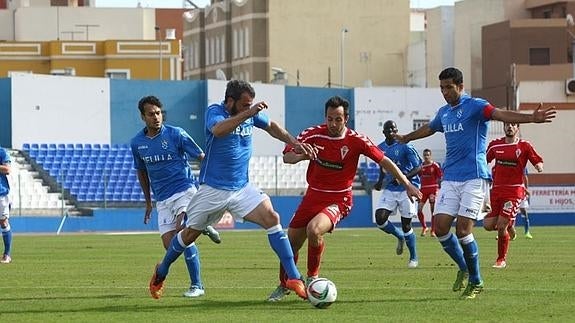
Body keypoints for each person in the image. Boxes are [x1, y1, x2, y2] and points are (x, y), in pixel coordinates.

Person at [394, 67, 555, 299]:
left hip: (474, 177)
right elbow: (430, 128)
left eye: (449, 87)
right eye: (441, 88)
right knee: (439, 228)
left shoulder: (476, 106)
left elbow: (500, 114)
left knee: (462, 230)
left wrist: (531, 118)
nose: (445, 92)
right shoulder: (445, 113)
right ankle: (463, 267)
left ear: (460, 86)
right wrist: (407, 137)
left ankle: (476, 280)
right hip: (450, 178)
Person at [148, 80, 316, 300]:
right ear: (230, 102)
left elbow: (272, 126)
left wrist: (294, 142)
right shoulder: (214, 112)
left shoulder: (249, 113)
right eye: (244, 104)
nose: (249, 108)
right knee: (188, 235)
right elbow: (218, 131)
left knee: (272, 218)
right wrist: (248, 114)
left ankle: (293, 278)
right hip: (213, 189)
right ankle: (161, 271)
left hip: (241, 187)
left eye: (250, 105)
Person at [267, 96, 422, 302]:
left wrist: (407, 184)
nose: (333, 124)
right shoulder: (312, 134)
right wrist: (303, 155)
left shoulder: (357, 140)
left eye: (338, 119)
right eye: (330, 119)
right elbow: (287, 157)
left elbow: (384, 161)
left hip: (339, 199)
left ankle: (313, 278)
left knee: (314, 229)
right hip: (313, 195)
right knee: (291, 243)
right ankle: (284, 284)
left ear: (346, 118)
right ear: (325, 117)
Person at [131, 95, 221, 298]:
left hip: (184, 190)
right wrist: (148, 203)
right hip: (162, 199)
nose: (156, 117)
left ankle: (197, 285)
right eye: (151, 114)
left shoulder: (176, 134)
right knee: (171, 245)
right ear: (143, 117)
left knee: (183, 232)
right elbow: (141, 172)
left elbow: (201, 156)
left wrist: (215, 178)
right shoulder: (137, 143)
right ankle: (201, 224)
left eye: (158, 113)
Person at [483, 123, 543, 268]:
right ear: (504, 127)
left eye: (513, 125)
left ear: (517, 128)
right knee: (488, 225)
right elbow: (484, 160)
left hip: (514, 191)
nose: (509, 127)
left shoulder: (524, 146)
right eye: (507, 124)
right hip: (496, 190)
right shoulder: (495, 145)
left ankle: (501, 259)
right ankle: (510, 226)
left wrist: (538, 165)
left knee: (501, 225)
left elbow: (537, 159)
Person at [373, 120, 422, 269]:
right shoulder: (380, 148)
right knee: (380, 219)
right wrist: (380, 181)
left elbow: (419, 166)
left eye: (394, 130)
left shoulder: (405, 145)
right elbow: (382, 167)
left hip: (407, 189)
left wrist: (403, 178)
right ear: (384, 132)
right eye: (389, 130)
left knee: (406, 225)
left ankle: (413, 257)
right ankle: (399, 235)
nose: (392, 133)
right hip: (390, 188)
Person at [417, 149, 443, 237]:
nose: (426, 157)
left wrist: (438, 189)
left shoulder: (435, 165)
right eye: (425, 155)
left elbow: (440, 177)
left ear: (430, 155)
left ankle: (433, 230)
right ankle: (424, 227)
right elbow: (418, 177)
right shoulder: (421, 166)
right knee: (419, 209)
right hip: (423, 190)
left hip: (432, 189)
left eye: (428, 155)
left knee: (433, 210)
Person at [0, 147, 12, 264]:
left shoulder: (2, 152)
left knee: (3, 222)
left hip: (1, 194)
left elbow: (7, 169)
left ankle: (7, 254)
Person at [518, 169, 533, 239]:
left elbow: (525, 177)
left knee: (523, 211)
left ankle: (527, 232)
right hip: (511, 190)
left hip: (520, 190)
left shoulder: (522, 165)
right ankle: (505, 232)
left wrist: (526, 190)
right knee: (508, 212)